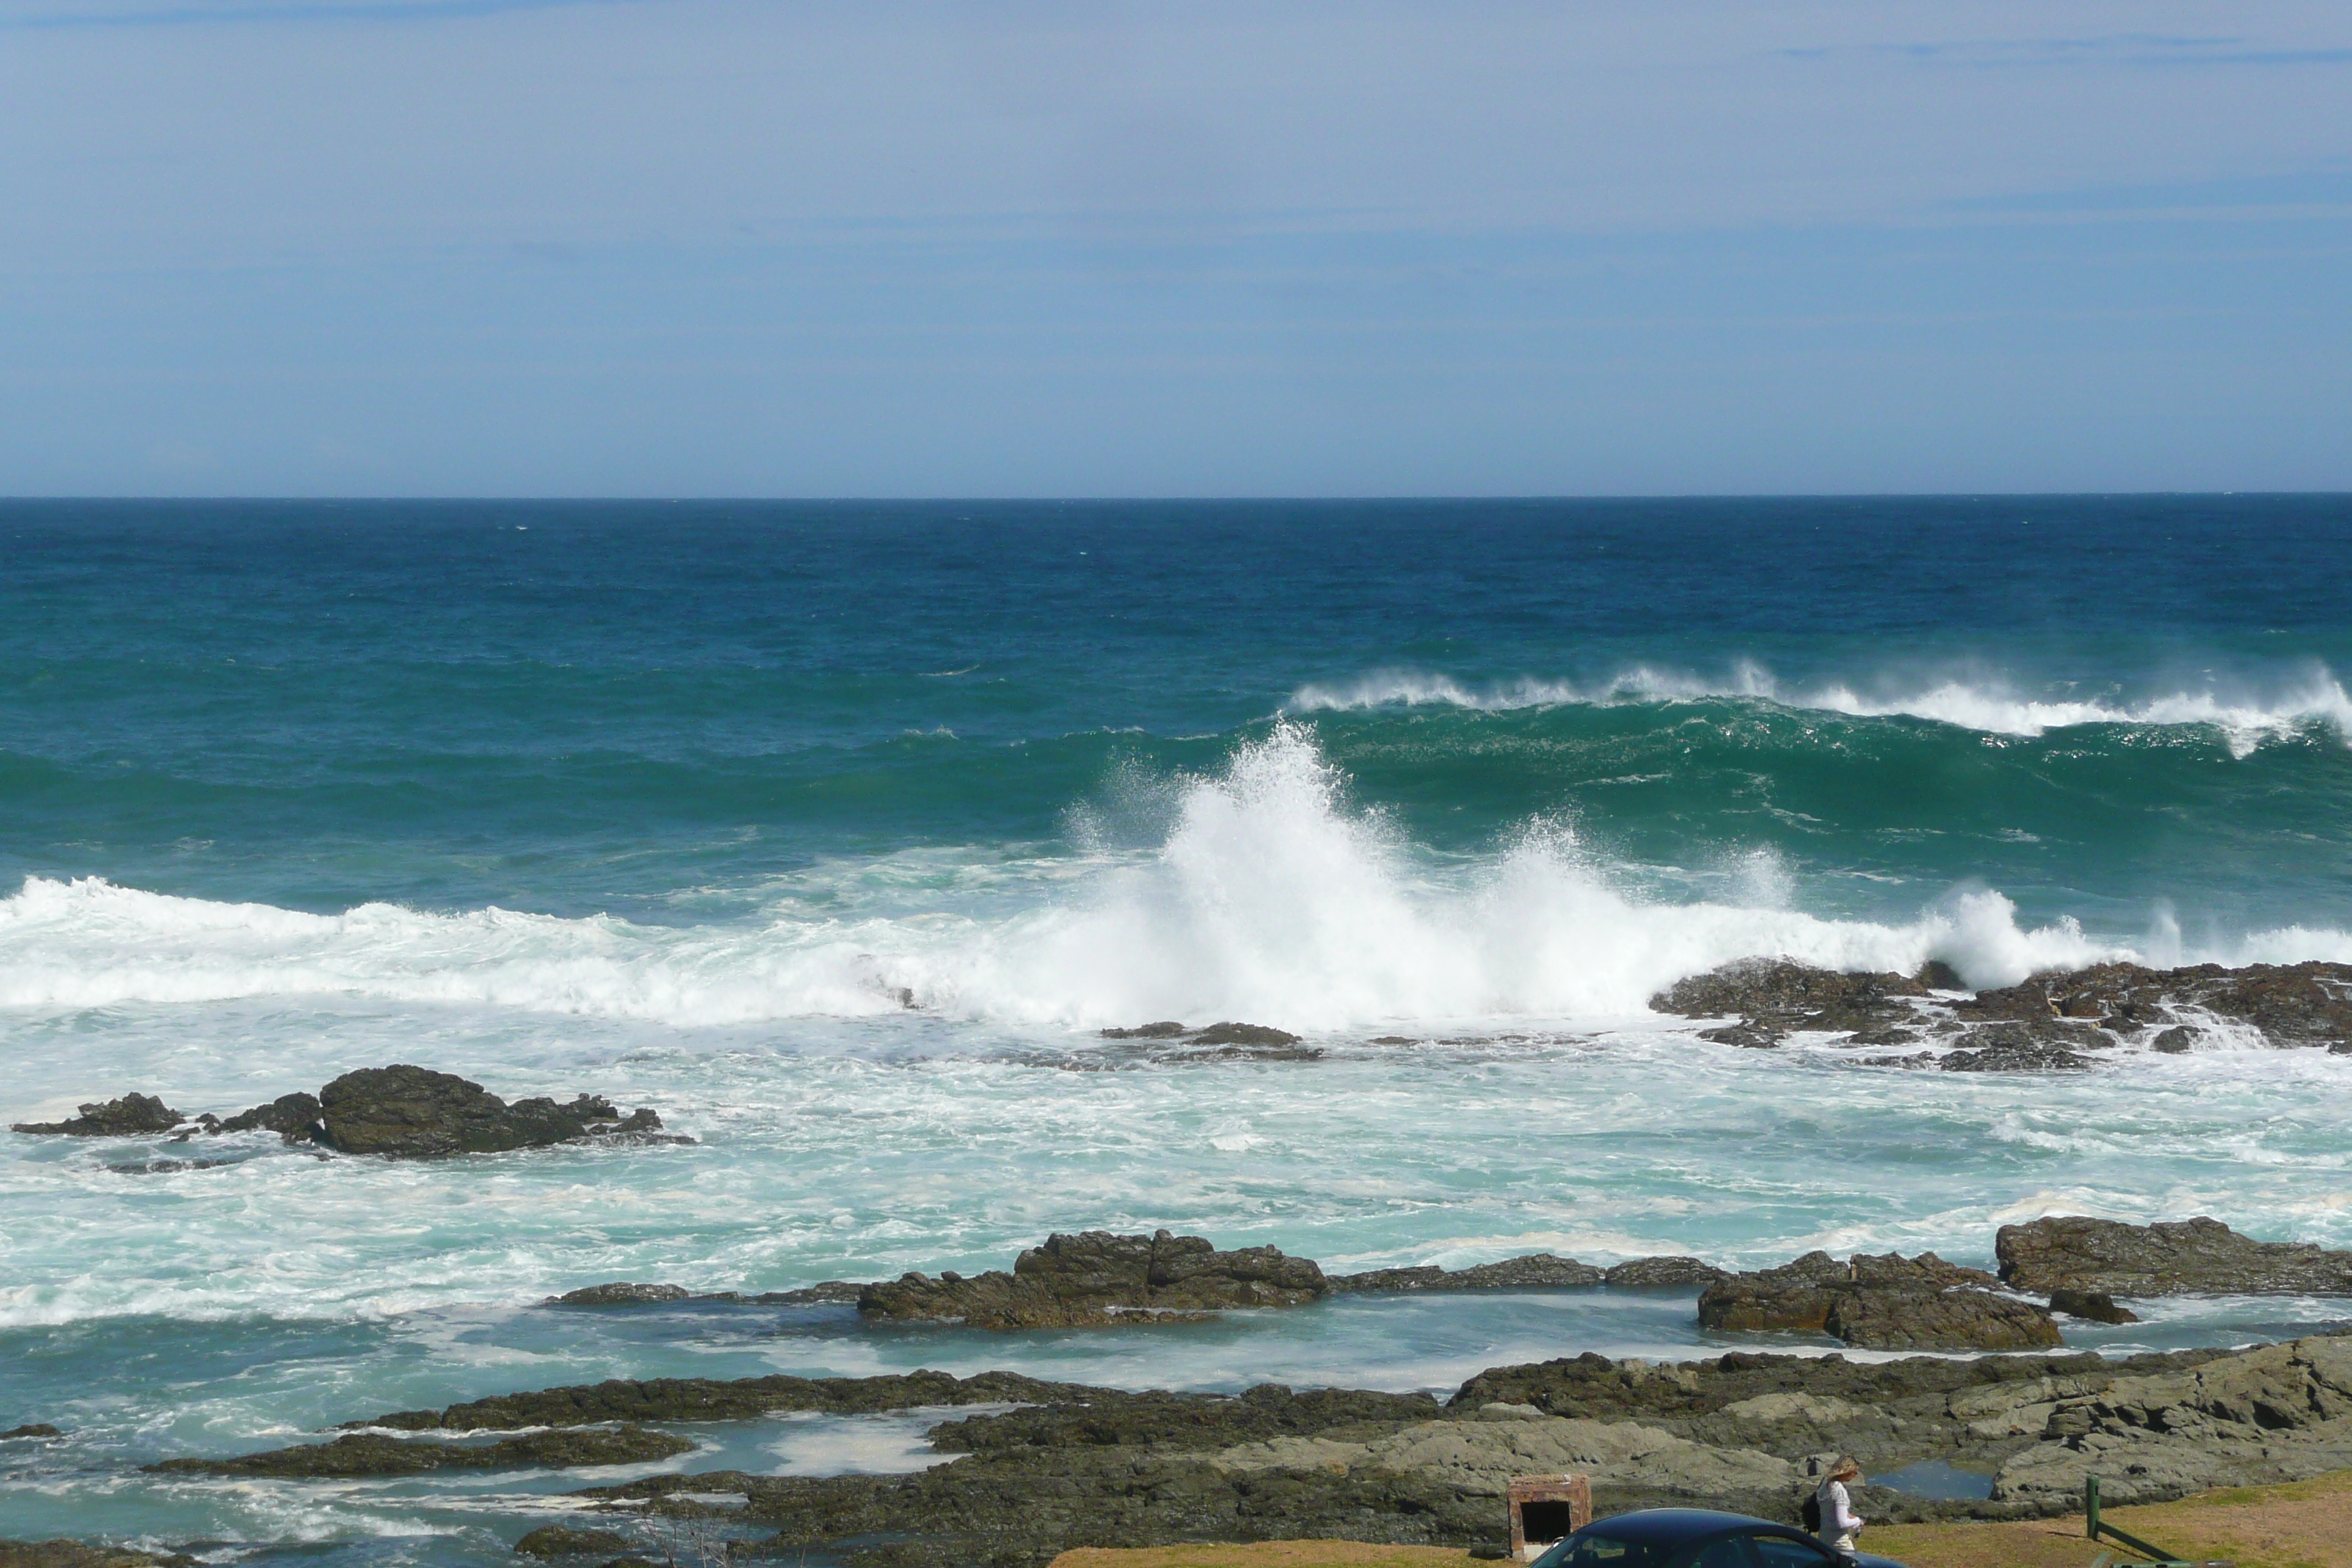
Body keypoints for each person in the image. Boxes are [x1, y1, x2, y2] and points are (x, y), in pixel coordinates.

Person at [1814, 1458, 1866, 1558]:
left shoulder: (1825, 1486)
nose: (1855, 1476)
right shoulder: (1839, 1491)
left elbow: (1830, 1510)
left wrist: (1848, 1515)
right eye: (1855, 1473)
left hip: (1824, 1537)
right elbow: (1842, 1523)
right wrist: (1858, 1521)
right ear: (1847, 1471)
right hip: (1839, 1542)